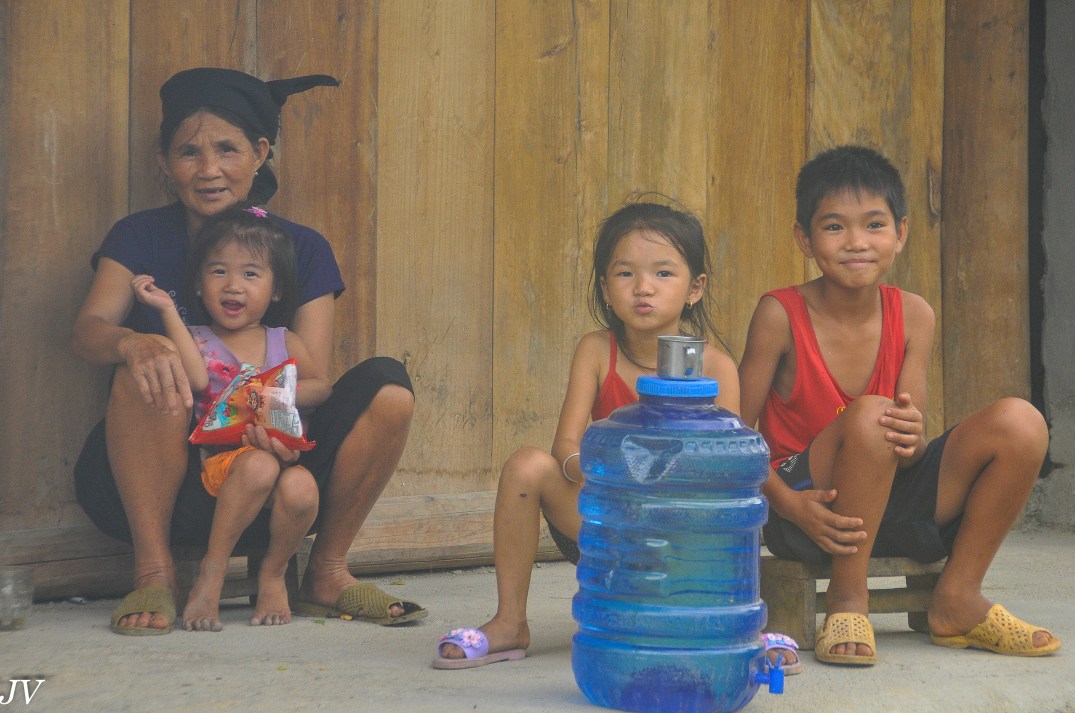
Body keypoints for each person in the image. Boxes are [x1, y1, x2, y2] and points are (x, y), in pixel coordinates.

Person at [72, 67, 424, 636]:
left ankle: (326, 572)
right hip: (157, 483)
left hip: (274, 477)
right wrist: (130, 341)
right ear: (164, 163)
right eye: (188, 152)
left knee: (388, 387)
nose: (208, 169)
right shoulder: (138, 237)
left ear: (260, 153)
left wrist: (267, 411)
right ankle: (155, 572)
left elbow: (314, 373)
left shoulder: (302, 249)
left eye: (227, 149)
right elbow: (88, 331)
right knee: (149, 361)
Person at [433, 201, 800, 673]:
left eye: (664, 274)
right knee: (526, 465)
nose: (643, 288)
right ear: (606, 288)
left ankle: (737, 628)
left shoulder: (715, 367)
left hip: (683, 538)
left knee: (728, 508)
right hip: (603, 524)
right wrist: (604, 474)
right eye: (625, 274)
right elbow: (564, 446)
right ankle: (509, 622)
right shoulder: (595, 351)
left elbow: (728, 475)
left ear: (695, 288)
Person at [738, 145, 1061, 666]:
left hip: (886, 505)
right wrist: (787, 504)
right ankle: (847, 598)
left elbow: (907, 448)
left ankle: (957, 597)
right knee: (868, 413)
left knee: (1021, 423)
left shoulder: (914, 314)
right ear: (804, 238)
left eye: (874, 224)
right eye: (835, 227)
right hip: (806, 508)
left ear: (901, 232)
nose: (857, 243)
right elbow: (730, 433)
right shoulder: (781, 313)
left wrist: (912, 439)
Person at [132, 206, 332, 631]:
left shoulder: (283, 340)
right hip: (221, 468)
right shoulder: (199, 341)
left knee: (303, 489)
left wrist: (272, 394)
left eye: (251, 275)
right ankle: (213, 571)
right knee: (257, 464)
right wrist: (167, 310)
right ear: (199, 286)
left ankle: (273, 573)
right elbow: (196, 377)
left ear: (276, 291)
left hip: (281, 461)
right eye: (218, 272)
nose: (233, 285)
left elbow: (321, 387)